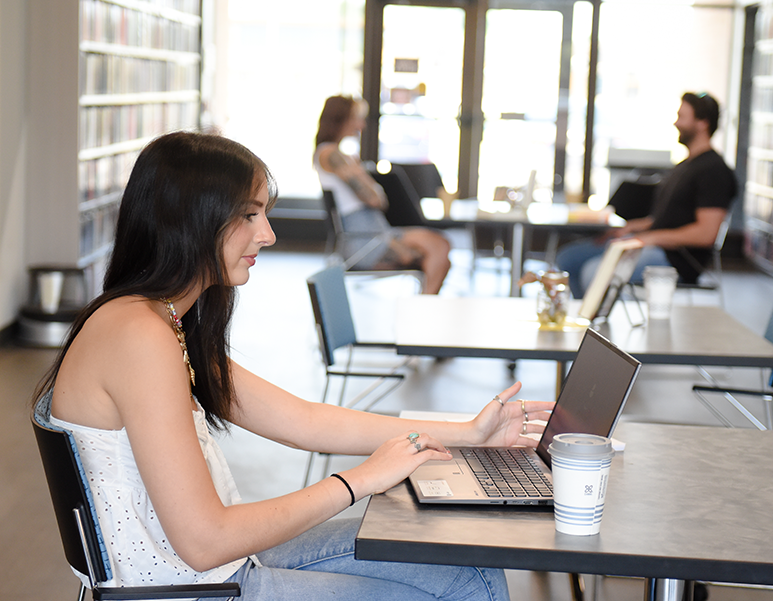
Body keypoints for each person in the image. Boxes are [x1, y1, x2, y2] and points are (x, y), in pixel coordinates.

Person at [32, 131, 554, 600]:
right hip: (197, 588)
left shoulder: (157, 320)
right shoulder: (139, 337)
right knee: (463, 582)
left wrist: (467, 432)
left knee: (470, 570)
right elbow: (204, 541)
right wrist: (359, 481)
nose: (269, 235)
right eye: (250, 214)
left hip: (217, 571)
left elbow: (305, 420)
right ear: (193, 218)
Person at [557, 92, 737, 298]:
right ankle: (586, 321)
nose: (676, 123)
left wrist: (647, 238)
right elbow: (668, 219)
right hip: (653, 243)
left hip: (675, 258)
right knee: (569, 259)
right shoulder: (685, 167)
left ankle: (596, 323)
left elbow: (706, 234)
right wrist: (633, 228)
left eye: (682, 117)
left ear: (702, 123)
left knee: (594, 273)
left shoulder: (714, 171)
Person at [314, 95, 451, 294]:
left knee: (441, 253)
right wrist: (361, 173)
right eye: (356, 117)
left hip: (373, 233)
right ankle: (423, 306)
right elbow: (375, 199)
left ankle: (423, 304)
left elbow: (378, 200)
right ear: (341, 118)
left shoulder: (338, 156)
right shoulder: (331, 154)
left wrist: (359, 172)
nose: (361, 124)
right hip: (364, 240)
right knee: (439, 247)